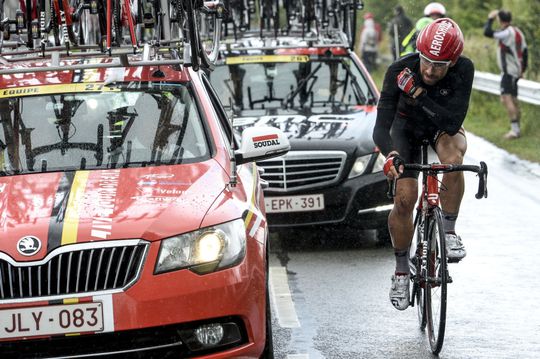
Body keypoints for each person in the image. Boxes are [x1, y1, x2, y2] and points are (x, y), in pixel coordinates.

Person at [372, 18, 474, 310]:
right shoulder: (398, 71)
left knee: (454, 160)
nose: (430, 70)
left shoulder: (463, 70)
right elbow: (381, 127)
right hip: (404, 131)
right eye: (426, 61)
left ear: (453, 63)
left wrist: (417, 95)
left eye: (439, 65)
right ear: (418, 52)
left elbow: (452, 122)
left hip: (442, 127)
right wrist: (391, 155)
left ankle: (450, 230)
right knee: (404, 200)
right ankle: (402, 271)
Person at [483, 10, 528, 139]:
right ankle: (517, 128)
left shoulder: (506, 32)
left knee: (506, 99)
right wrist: (522, 70)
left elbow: (487, 32)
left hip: (508, 72)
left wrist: (490, 18)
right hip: (515, 71)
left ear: (500, 20)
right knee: (513, 99)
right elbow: (525, 52)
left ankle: (515, 131)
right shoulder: (517, 31)